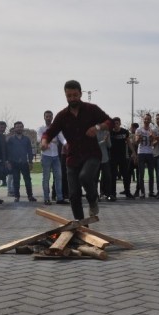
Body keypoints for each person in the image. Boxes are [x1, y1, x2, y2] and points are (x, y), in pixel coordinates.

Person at [41, 80, 111, 220]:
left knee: (85, 177)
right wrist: (44, 141)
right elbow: (50, 132)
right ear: (65, 95)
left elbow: (109, 121)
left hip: (92, 154)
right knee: (73, 194)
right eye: (69, 96)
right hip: (72, 158)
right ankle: (80, 225)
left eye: (75, 95)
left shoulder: (91, 109)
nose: (72, 98)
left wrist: (97, 128)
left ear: (80, 93)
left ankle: (93, 200)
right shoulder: (62, 115)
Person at [38, 111, 67, 205]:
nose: (48, 118)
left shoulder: (56, 128)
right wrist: (45, 142)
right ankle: (46, 198)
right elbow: (40, 139)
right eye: (47, 116)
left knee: (59, 177)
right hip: (46, 155)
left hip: (55, 156)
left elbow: (62, 138)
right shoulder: (41, 128)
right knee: (46, 178)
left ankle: (60, 198)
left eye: (50, 116)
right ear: (44, 117)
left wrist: (66, 144)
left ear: (52, 117)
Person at [7, 121, 36, 202]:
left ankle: (30, 196)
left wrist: (30, 162)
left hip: (24, 163)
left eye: (20, 127)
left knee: (28, 180)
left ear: (22, 128)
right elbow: (8, 152)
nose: (19, 128)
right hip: (14, 163)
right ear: (14, 128)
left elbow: (30, 151)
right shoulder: (11, 139)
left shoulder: (26, 139)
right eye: (17, 127)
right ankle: (17, 196)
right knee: (16, 180)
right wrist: (8, 162)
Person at [109, 117, 135, 200]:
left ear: (120, 123)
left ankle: (127, 192)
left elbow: (129, 142)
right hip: (112, 157)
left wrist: (133, 152)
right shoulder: (109, 132)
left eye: (117, 123)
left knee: (125, 175)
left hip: (123, 157)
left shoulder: (125, 132)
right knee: (113, 176)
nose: (115, 125)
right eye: (114, 123)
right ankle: (113, 193)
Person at [135, 114, 156, 199]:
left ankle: (151, 192)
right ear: (143, 120)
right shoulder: (139, 129)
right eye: (145, 119)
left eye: (148, 119)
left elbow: (154, 143)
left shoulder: (152, 130)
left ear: (150, 120)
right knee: (141, 174)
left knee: (151, 174)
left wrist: (152, 138)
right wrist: (139, 138)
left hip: (150, 152)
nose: (146, 120)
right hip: (141, 153)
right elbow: (136, 142)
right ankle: (142, 192)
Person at [97, 127, 112, 200]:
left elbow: (109, 145)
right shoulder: (94, 131)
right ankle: (95, 195)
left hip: (105, 158)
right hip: (95, 158)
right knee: (95, 178)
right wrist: (103, 141)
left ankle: (108, 194)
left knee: (107, 177)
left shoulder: (106, 131)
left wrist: (107, 139)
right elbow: (93, 145)